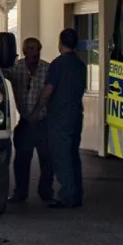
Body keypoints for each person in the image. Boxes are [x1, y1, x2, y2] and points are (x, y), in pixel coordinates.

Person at [2, 36, 53, 203]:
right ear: (24, 51)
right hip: (25, 122)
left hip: (43, 121)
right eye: (31, 49)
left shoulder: (47, 69)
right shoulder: (17, 68)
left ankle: (46, 192)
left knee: (47, 159)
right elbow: (1, 71)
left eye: (37, 49)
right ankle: (20, 193)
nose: (35, 52)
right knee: (22, 160)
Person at [40, 27, 87, 208]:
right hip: (76, 115)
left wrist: (38, 108)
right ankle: (76, 195)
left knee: (61, 157)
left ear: (60, 43)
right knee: (73, 155)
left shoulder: (58, 64)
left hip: (59, 117)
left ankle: (67, 196)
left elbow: (48, 90)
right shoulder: (81, 65)